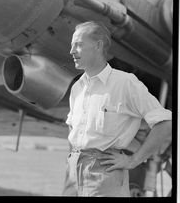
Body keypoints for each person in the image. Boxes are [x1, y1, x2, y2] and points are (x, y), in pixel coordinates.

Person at [62, 21, 172, 197]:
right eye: (71, 45)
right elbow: (72, 127)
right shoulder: (77, 87)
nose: (72, 51)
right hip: (73, 172)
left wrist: (134, 160)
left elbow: (165, 123)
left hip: (105, 172)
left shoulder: (125, 83)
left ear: (98, 46)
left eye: (78, 45)